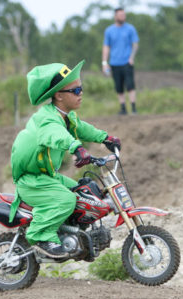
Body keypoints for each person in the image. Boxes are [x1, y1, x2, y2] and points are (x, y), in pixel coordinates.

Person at [8, 60, 121, 258]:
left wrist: (106, 138)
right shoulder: (47, 119)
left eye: (81, 88)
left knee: (84, 192)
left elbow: (82, 129)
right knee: (67, 199)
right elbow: (56, 134)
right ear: (59, 95)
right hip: (32, 180)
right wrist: (76, 148)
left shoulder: (67, 117)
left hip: (48, 176)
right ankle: (40, 235)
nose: (81, 93)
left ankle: (73, 237)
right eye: (76, 90)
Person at [102, 7, 139, 115]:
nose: (123, 16)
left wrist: (131, 57)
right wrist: (104, 63)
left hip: (127, 62)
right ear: (115, 16)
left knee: (130, 85)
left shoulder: (130, 29)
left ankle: (133, 108)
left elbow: (135, 44)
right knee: (118, 86)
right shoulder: (109, 30)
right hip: (114, 63)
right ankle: (123, 108)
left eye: (124, 14)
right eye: (121, 15)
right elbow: (106, 47)